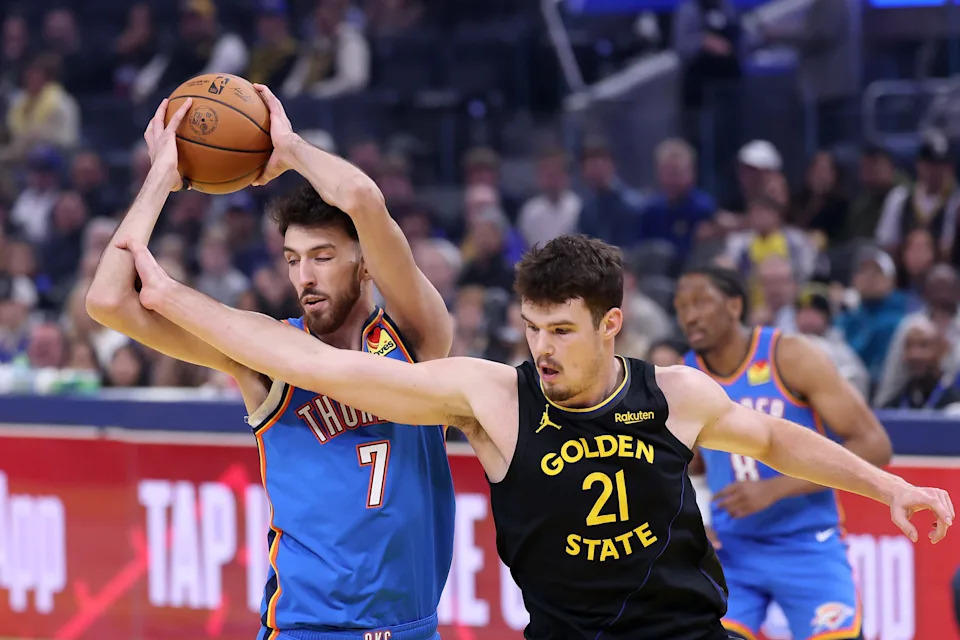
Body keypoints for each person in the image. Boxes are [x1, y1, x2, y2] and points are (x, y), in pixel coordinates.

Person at [121, 228, 953, 640]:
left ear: (611, 325)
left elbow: (777, 443)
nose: (541, 349)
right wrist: (166, 292)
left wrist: (891, 488)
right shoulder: (495, 398)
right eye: (531, 328)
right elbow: (324, 369)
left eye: (560, 331)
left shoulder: (675, 393)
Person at [86, 87, 455, 640]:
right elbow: (108, 300)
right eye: (292, 260)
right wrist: (162, 176)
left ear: (366, 265)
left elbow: (361, 197)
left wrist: (288, 147)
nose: (304, 277)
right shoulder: (264, 353)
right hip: (308, 629)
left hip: (411, 628)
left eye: (323, 258)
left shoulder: (416, 336)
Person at [674, 265, 894, 640]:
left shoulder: (789, 355)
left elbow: (875, 446)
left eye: (701, 302)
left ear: (734, 305)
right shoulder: (686, 376)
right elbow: (687, 465)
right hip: (733, 552)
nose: (690, 315)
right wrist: (696, 518)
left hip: (806, 544)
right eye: (680, 306)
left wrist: (772, 489)